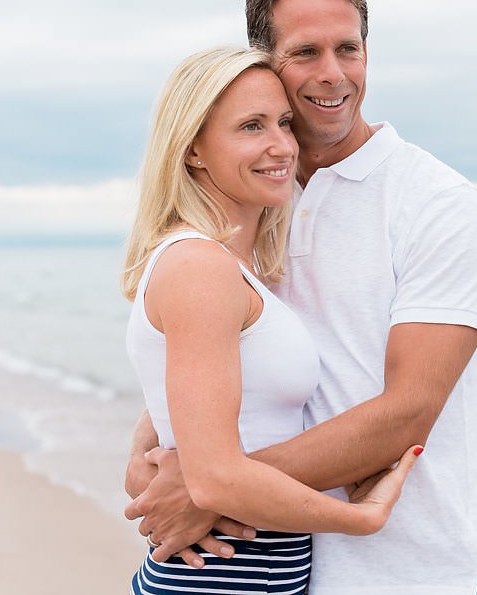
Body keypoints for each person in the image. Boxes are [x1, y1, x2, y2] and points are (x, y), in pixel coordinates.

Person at [125, 0, 477, 595]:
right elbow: (210, 358)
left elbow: (407, 410)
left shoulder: (436, 202)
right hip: (286, 570)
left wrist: (211, 485)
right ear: (264, 61)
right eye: (305, 52)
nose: (333, 74)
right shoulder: (256, 199)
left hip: (418, 568)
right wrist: (163, 456)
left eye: (348, 49)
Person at [121, 46, 421, 594]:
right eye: (251, 127)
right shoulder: (200, 267)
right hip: (219, 582)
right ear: (193, 150)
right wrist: (361, 518)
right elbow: (213, 477)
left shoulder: (236, 266)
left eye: (283, 123)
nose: (282, 145)